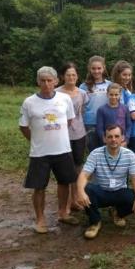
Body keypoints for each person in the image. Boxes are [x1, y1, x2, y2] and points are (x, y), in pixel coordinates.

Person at [19, 66, 78, 233]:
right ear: (38, 82)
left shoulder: (65, 99)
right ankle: (40, 219)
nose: (46, 84)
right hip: (40, 153)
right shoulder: (29, 102)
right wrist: (36, 139)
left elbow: (69, 121)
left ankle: (63, 213)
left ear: (56, 81)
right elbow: (23, 126)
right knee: (39, 187)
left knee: (65, 182)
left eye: (49, 80)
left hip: (62, 149)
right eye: (43, 81)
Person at [75, 124, 135, 239]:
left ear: (122, 137)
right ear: (104, 138)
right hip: (101, 192)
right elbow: (84, 175)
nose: (113, 139)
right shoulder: (96, 153)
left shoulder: (129, 155)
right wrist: (80, 191)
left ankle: (117, 213)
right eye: (109, 137)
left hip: (119, 192)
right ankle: (95, 222)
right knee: (86, 189)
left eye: (116, 136)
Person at [56, 62, 89, 209]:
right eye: (68, 75)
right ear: (63, 77)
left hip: (79, 134)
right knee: (65, 167)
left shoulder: (82, 93)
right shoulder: (56, 93)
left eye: (74, 75)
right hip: (62, 135)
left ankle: (76, 198)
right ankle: (67, 200)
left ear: (77, 76)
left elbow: (82, 112)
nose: (71, 77)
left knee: (78, 166)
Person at [80, 56, 111, 152]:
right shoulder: (83, 86)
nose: (96, 71)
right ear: (89, 68)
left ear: (104, 68)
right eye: (93, 68)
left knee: (107, 151)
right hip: (90, 123)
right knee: (93, 151)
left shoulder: (110, 85)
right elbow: (81, 107)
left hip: (107, 122)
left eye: (99, 68)